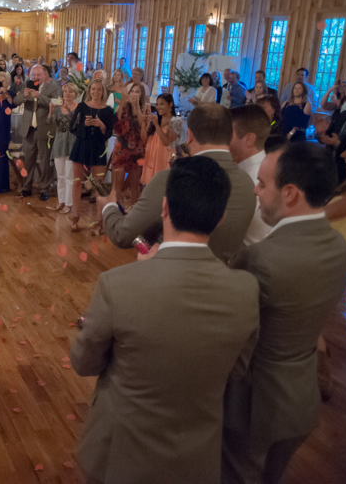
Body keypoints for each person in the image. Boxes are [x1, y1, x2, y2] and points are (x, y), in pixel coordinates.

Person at [72, 156, 259, 484]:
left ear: (164, 209)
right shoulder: (245, 290)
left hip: (121, 450)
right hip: (197, 455)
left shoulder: (119, 285)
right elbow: (238, 369)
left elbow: (84, 361)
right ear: (221, 218)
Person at [222, 144, 346, 484]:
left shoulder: (263, 258)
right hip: (300, 401)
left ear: (290, 193)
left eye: (262, 184)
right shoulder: (337, 245)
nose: (255, 191)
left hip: (255, 405)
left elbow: (231, 333)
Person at [100, 103, 256, 262]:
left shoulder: (169, 179)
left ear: (189, 135)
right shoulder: (248, 184)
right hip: (222, 279)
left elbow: (123, 235)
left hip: (167, 277)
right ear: (230, 136)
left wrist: (109, 206)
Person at [69, 79, 116, 233]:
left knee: (98, 185)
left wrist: (102, 126)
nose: (96, 92)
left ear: (103, 92)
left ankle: (99, 220)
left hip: (98, 148)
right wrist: (85, 125)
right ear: (89, 90)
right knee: (77, 182)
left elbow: (109, 133)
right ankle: (75, 215)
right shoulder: (82, 106)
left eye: (99, 90)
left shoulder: (108, 110)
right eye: (94, 89)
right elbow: (73, 128)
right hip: (81, 146)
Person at [14, 64, 62, 201]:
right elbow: (15, 101)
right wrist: (23, 96)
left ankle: (44, 189)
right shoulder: (26, 86)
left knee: (45, 162)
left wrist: (39, 96)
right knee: (28, 161)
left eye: (38, 75)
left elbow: (56, 103)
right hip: (29, 130)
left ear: (44, 75)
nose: (35, 77)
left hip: (45, 130)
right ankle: (26, 187)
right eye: (33, 75)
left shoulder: (52, 87)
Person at [229, 104, 273, 246]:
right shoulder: (253, 168)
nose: (222, 140)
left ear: (249, 139)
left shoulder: (254, 179)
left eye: (228, 134)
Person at [110, 83, 148, 210]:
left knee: (135, 185)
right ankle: (115, 211)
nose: (135, 94)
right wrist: (122, 103)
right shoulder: (123, 107)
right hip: (121, 149)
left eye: (138, 92)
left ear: (141, 94)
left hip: (137, 150)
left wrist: (136, 106)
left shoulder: (144, 109)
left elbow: (144, 129)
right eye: (133, 91)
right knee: (117, 184)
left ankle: (133, 213)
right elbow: (117, 124)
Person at [321, 81, 346, 181]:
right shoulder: (345, 114)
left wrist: (339, 144)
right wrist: (321, 133)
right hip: (333, 165)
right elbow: (330, 136)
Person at [141, 93, 183, 185]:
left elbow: (166, 141)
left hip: (164, 159)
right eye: (157, 104)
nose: (158, 107)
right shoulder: (156, 119)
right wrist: (144, 122)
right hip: (151, 157)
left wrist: (156, 125)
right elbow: (144, 139)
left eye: (162, 104)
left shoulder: (176, 121)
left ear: (170, 104)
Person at [50, 83, 78, 212]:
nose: (67, 94)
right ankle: (61, 201)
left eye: (71, 92)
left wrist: (70, 111)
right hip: (59, 142)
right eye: (66, 91)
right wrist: (51, 110)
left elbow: (77, 125)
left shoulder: (78, 108)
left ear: (75, 94)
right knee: (60, 176)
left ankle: (69, 203)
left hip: (72, 143)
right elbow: (49, 122)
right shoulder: (57, 108)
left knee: (69, 176)